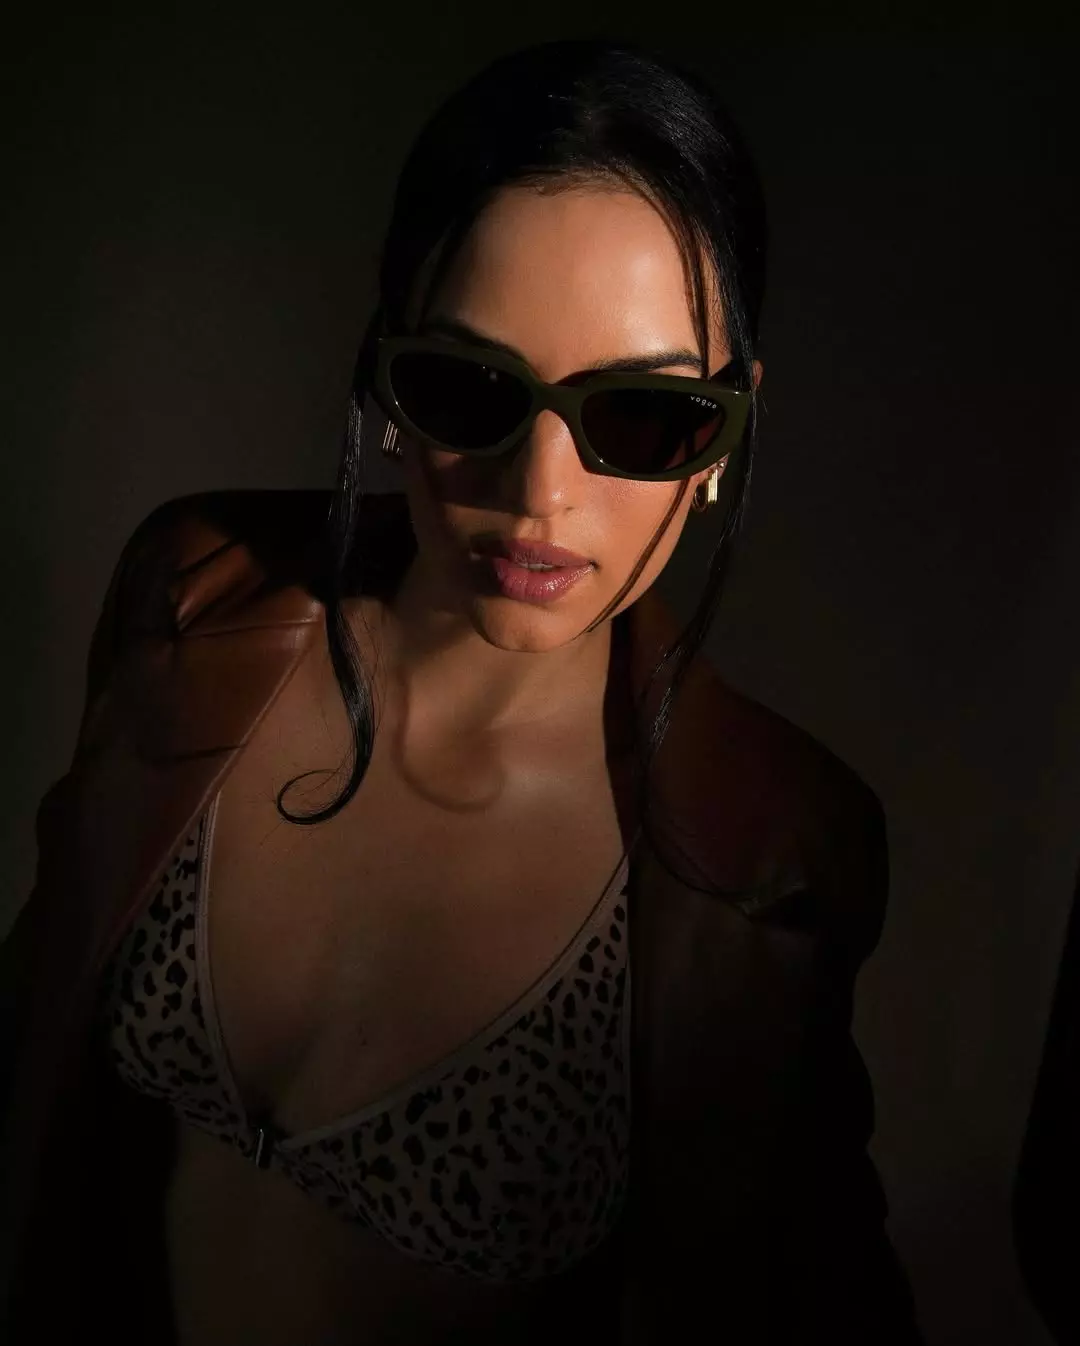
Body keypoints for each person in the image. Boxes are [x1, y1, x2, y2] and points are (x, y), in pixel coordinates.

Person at [0, 35, 924, 1345]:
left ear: (730, 433)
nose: (539, 491)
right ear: (386, 375)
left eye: (643, 415)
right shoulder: (193, 601)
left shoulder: (773, 855)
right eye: (468, 387)